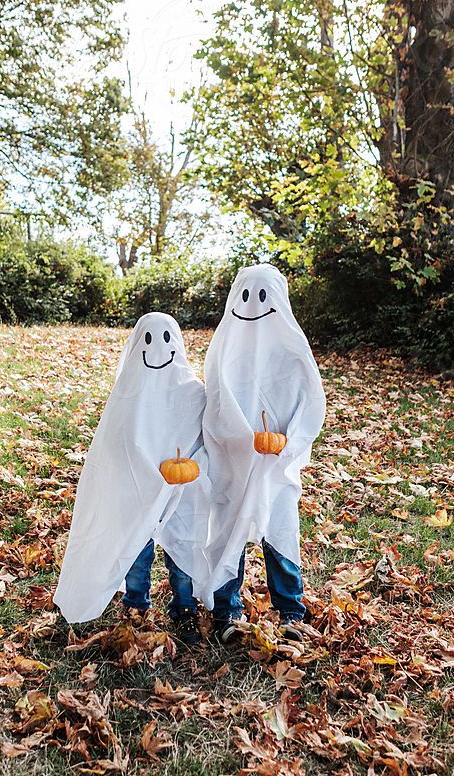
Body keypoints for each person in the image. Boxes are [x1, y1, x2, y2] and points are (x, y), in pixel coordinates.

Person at [54, 312, 210, 645]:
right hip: (139, 487)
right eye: (149, 340)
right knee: (137, 546)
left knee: (182, 548)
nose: (157, 348)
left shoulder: (193, 391)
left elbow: (203, 434)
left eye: (166, 339)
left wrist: (187, 464)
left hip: (182, 488)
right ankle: (135, 603)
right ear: (138, 344)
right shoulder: (128, 390)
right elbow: (115, 441)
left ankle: (184, 607)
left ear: (177, 343)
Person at [201, 264, 326, 643]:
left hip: (277, 462)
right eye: (246, 295)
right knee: (230, 530)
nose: (254, 304)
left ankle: (291, 610)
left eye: (263, 296)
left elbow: (312, 400)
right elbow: (217, 399)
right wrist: (242, 438)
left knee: (281, 531)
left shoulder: (292, 348)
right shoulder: (225, 347)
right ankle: (226, 610)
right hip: (235, 460)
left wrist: (290, 441)